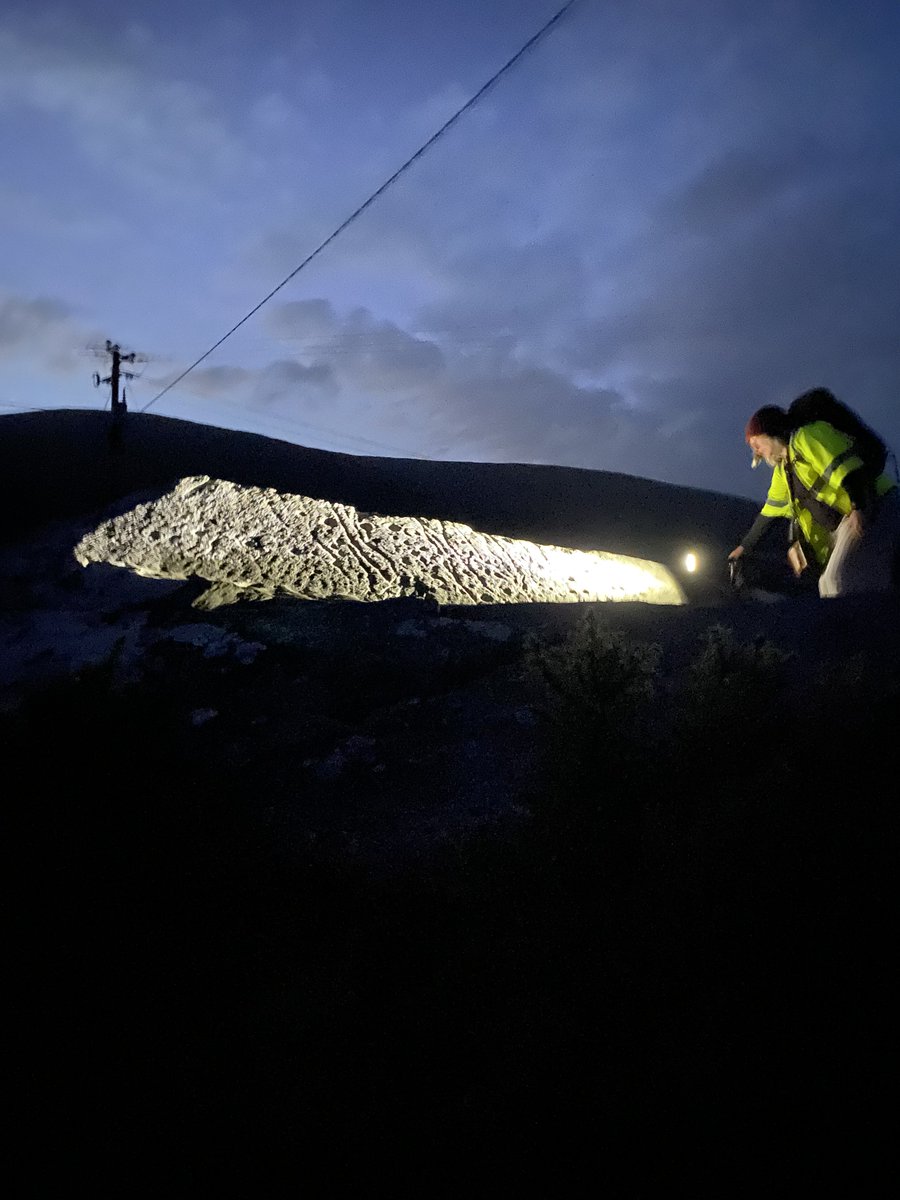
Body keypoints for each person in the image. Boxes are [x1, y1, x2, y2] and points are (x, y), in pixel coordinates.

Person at [728, 396, 900, 597]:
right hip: (854, 515)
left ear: (770, 433)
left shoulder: (807, 437)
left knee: (838, 581)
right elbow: (769, 514)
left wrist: (859, 506)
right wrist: (743, 548)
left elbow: (847, 469)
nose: (756, 451)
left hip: (876, 504)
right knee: (828, 585)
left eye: (756, 443)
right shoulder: (785, 469)